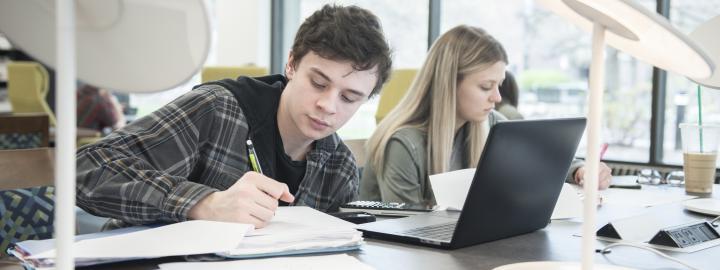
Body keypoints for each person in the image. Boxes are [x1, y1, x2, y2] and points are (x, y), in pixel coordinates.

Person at [76, 4, 392, 229]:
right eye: (319, 83)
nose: (328, 105)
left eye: (350, 97)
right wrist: (204, 203)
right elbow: (86, 169)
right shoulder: (217, 110)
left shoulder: (340, 168)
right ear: (292, 64)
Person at [359, 25, 609, 206]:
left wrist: (582, 169)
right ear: (449, 84)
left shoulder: (492, 125)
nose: (498, 98)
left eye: (498, 85)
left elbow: (543, 160)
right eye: (486, 87)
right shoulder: (404, 143)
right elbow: (406, 233)